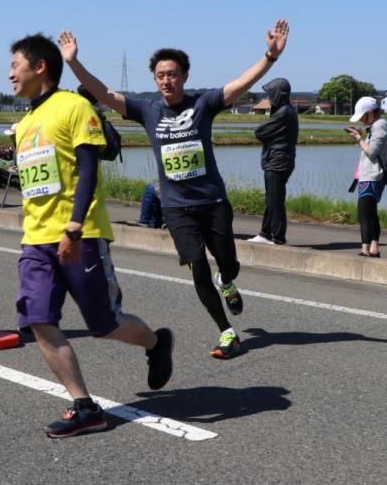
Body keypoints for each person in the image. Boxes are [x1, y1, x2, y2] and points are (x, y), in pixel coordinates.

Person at [60, 21, 289, 359]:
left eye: (173, 74)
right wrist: (73, 63)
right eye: (160, 75)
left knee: (228, 263)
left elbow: (241, 85)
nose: (166, 80)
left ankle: (227, 282)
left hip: (212, 201)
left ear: (185, 76)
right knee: (197, 266)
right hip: (176, 207)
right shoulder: (147, 110)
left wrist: (269, 57)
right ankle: (227, 332)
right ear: (155, 79)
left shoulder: (204, 103)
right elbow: (103, 93)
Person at [9, 33, 173, 438]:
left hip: (78, 235)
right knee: (37, 319)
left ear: (39, 66)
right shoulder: (25, 123)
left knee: (104, 324)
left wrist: (75, 226)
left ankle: (155, 342)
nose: (10, 73)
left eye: (15, 64)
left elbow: (88, 169)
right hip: (36, 239)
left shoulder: (74, 106)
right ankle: (85, 405)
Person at [250, 77, 299, 245]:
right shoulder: (284, 111)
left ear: (279, 94)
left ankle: (277, 237)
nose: (269, 98)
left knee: (275, 199)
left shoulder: (284, 112)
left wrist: (268, 137)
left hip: (279, 160)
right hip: (278, 159)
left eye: (271, 94)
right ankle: (265, 233)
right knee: (272, 198)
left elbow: (259, 132)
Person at [346, 96, 387, 258]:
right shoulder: (378, 126)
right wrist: (361, 136)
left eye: (363, 116)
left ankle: (365, 250)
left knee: (364, 214)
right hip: (373, 176)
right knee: (371, 213)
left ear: (371, 113)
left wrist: (359, 139)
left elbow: (372, 153)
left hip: (372, 177)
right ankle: (374, 248)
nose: (362, 120)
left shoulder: (379, 127)